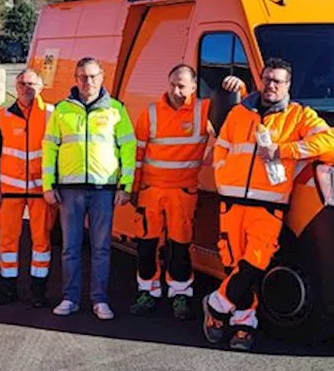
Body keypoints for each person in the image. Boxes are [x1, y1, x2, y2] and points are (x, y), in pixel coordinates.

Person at [205, 57, 334, 351]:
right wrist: (224, 177)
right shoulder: (239, 113)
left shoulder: (299, 116)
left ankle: (216, 305)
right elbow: (221, 149)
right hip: (232, 201)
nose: (271, 85)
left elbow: (329, 142)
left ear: (288, 85)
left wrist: (283, 151)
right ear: (260, 81)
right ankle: (242, 326)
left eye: (278, 81)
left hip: (270, 205)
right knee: (233, 264)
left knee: (256, 261)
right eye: (267, 79)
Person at [130, 65, 244, 320]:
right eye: (172, 84)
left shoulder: (203, 110)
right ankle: (147, 291)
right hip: (150, 192)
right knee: (146, 246)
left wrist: (239, 86)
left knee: (180, 247)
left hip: (182, 192)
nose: (176, 90)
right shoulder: (150, 113)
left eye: (182, 85)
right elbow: (136, 156)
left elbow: (236, 111)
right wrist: (133, 189)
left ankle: (180, 292)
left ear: (194, 87)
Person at [43, 57, 136, 320]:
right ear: (75, 79)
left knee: (101, 248)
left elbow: (128, 149)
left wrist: (125, 185)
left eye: (93, 76)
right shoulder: (62, 110)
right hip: (70, 189)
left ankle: (99, 300)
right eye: (83, 77)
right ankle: (70, 298)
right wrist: (48, 184)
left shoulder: (116, 110)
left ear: (102, 77)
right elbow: (49, 148)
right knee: (70, 248)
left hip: (103, 189)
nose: (88, 82)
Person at [0, 68, 55, 307]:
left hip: (41, 191)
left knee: (41, 241)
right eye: (22, 83)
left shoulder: (52, 115)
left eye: (32, 83)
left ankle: (38, 292)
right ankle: (8, 289)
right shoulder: (2, 116)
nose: (27, 88)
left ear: (41, 86)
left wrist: (55, 185)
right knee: (7, 241)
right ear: (16, 87)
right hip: (9, 190)